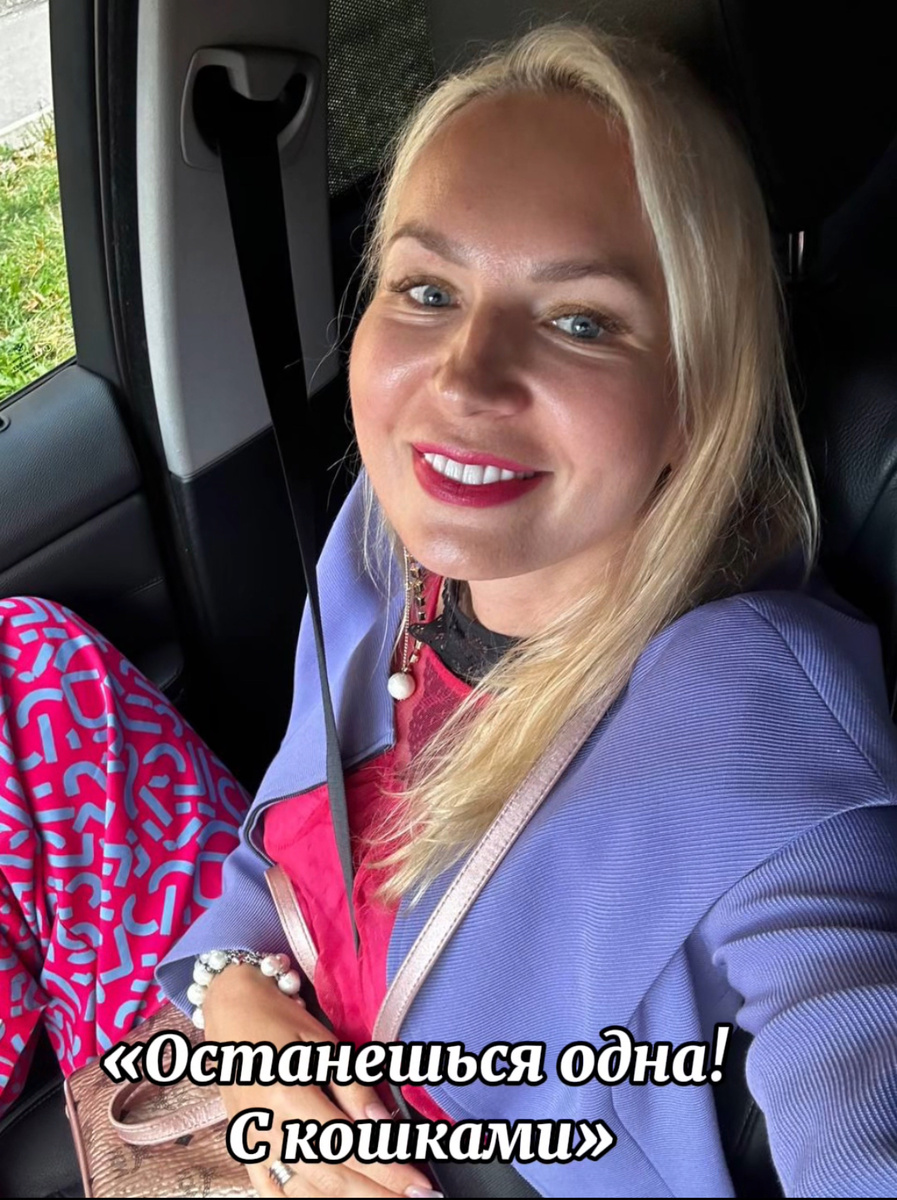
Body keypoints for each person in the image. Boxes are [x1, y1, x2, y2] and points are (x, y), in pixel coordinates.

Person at [2, 20, 897, 1199]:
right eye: (428, 290)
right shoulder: (386, 550)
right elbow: (276, 870)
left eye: (580, 320)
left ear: (699, 386)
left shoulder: (759, 720)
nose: (465, 379)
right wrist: (244, 1015)